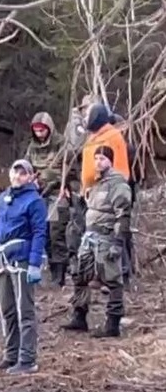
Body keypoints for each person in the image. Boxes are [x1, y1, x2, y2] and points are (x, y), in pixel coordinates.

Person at [0, 159, 48, 375]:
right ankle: (11, 355)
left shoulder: (34, 202)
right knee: (6, 309)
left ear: (30, 176)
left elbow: (39, 233)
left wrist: (35, 263)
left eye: (22, 174)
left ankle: (27, 360)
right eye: (15, 173)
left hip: (22, 260)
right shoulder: (2, 199)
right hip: (2, 260)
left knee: (24, 310)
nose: (17, 177)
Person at [62, 145, 131, 339]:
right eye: (96, 158)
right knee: (80, 275)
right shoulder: (95, 183)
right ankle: (79, 316)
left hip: (107, 238)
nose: (98, 162)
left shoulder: (118, 185)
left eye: (102, 158)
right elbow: (90, 209)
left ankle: (113, 323)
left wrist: (118, 242)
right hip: (89, 237)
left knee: (113, 280)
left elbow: (123, 215)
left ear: (110, 161)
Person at [25, 111, 71, 286]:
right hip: (37, 195)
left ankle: (60, 274)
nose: (39, 134)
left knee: (56, 232)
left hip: (57, 193)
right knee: (43, 233)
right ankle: (52, 271)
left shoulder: (61, 145)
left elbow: (67, 169)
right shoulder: (32, 148)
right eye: (36, 130)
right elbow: (26, 166)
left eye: (42, 130)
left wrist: (47, 179)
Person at [81, 103, 130, 192]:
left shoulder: (113, 136)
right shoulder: (92, 138)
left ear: (96, 116)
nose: (85, 118)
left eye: (88, 115)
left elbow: (120, 170)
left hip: (108, 193)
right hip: (92, 194)